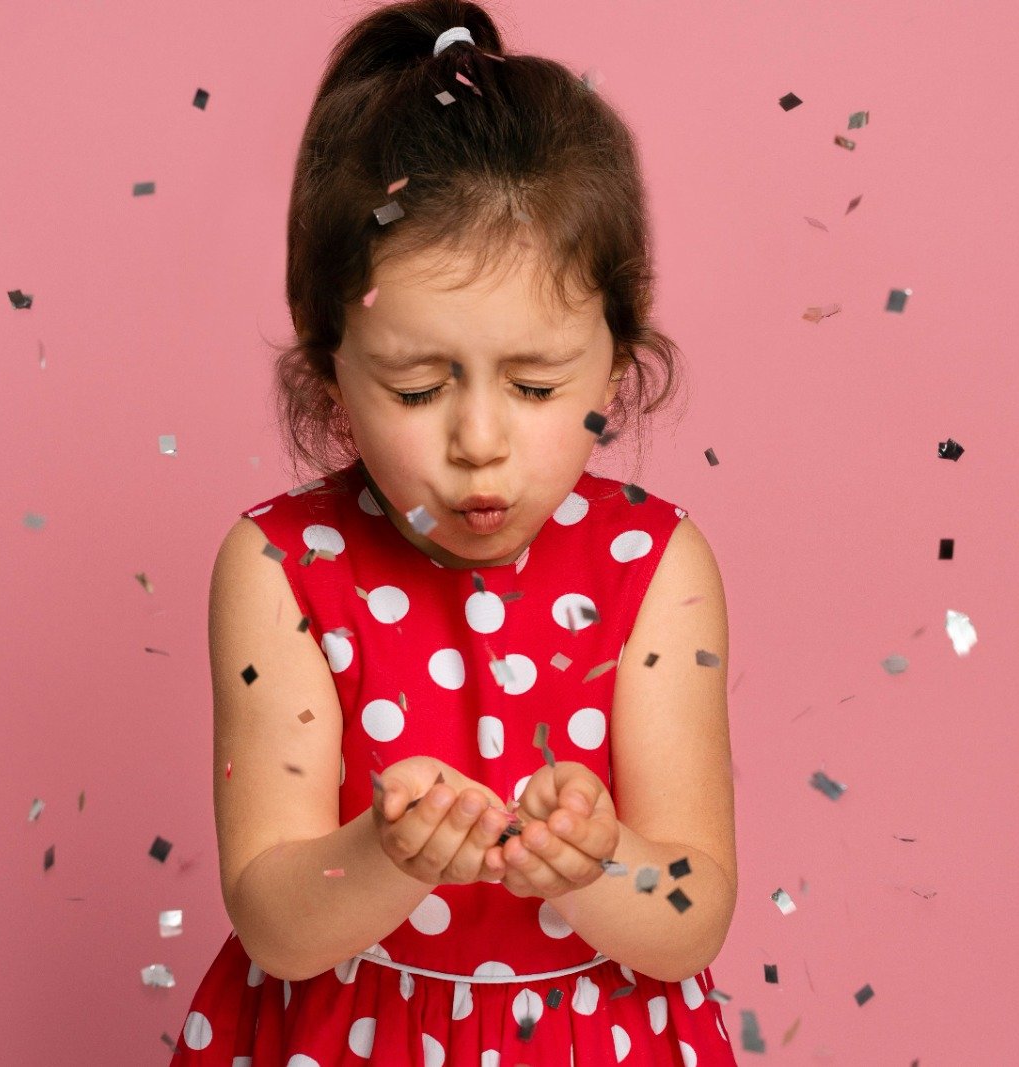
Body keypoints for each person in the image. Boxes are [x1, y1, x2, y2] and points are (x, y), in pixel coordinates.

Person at [170, 2, 738, 1063]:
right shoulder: (280, 568)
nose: (480, 442)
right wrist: (386, 854)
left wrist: (602, 861)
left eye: (535, 385)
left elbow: (691, 918)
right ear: (332, 377)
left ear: (615, 371)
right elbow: (277, 927)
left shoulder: (656, 565)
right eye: (418, 388)